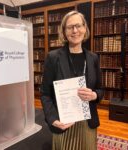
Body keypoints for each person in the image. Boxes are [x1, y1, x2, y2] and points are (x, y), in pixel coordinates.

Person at [40, 10, 104, 150]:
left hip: (87, 123)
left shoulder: (93, 58)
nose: (75, 31)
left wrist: (94, 95)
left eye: (78, 26)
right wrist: (52, 119)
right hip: (64, 123)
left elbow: (100, 90)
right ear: (64, 32)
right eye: (70, 27)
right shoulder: (53, 57)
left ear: (84, 28)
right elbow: (45, 93)